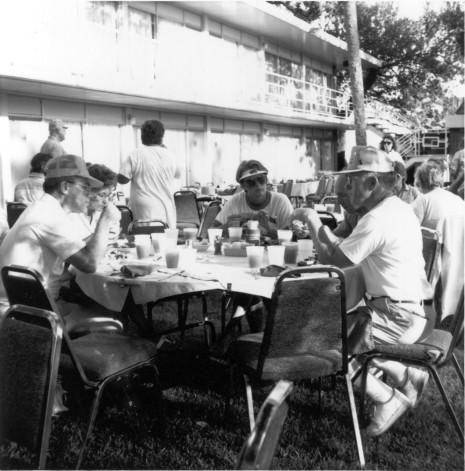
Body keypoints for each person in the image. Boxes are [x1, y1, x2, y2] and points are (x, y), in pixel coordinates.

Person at [293, 146, 430, 437]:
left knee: (327, 343)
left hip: (395, 316)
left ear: (371, 182)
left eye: (351, 182)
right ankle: (407, 375)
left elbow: (333, 262)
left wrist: (312, 218)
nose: (346, 188)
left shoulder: (376, 220)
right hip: (406, 309)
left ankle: (387, 399)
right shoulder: (396, 209)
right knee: (345, 329)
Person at [0, 154, 121, 328]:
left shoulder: (46, 209)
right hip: (31, 316)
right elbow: (90, 264)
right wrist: (106, 220)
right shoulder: (49, 216)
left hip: (25, 306)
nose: (89, 195)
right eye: (85, 188)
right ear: (65, 187)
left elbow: (80, 252)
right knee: (110, 316)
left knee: (99, 306)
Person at [411, 161, 464, 324]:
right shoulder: (458, 200)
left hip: (431, 263)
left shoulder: (423, 200)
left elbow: (408, 230)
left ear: (420, 181)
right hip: (458, 258)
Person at [118, 119, 181, 228]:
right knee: (165, 236)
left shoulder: (135, 154)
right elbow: (178, 174)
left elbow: (122, 180)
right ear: (162, 136)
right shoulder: (170, 155)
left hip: (144, 208)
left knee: (144, 237)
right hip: (166, 208)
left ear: (142, 136)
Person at [214, 160, 294, 239]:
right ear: (243, 186)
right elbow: (211, 231)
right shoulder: (235, 202)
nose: (258, 186)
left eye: (261, 179)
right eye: (250, 182)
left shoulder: (281, 201)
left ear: (266, 180)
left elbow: (293, 236)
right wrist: (227, 226)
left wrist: (268, 229)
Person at [69, 163, 119, 241]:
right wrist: (103, 227)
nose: (106, 202)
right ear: (87, 191)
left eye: (108, 195)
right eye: (102, 195)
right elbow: (73, 246)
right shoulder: (71, 215)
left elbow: (114, 234)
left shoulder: (103, 212)